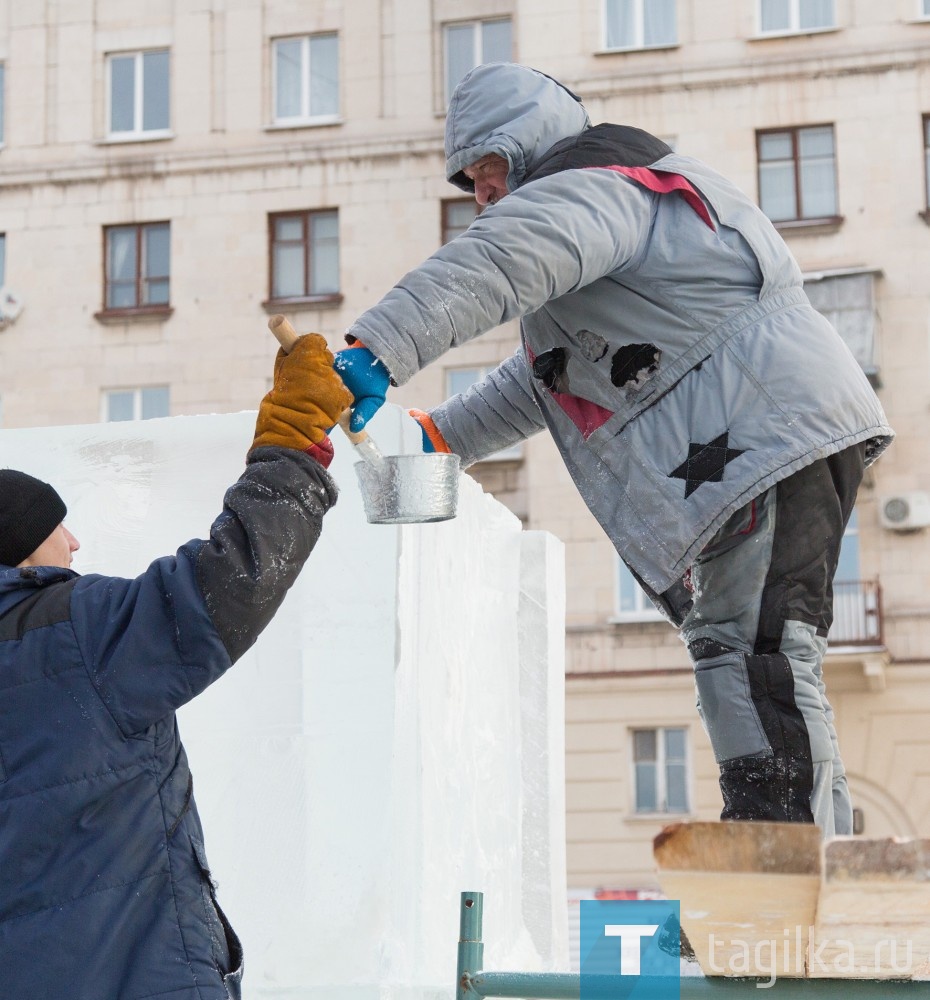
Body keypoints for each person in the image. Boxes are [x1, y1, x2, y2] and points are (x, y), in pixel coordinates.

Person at [333, 62, 893, 837]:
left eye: (489, 171)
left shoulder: (595, 185)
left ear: (526, 149)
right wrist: (441, 436)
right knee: (765, 646)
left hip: (762, 436)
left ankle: (779, 862)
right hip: (778, 433)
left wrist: (374, 349)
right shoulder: (616, 210)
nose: (482, 195)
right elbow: (556, 377)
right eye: (468, 183)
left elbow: (494, 261)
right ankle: (808, 856)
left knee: (748, 649)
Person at [0, 334, 352, 1000]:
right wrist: (292, 444)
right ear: (19, 548)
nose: (74, 541)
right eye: (56, 526)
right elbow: (231, 581)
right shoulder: (77, 630)